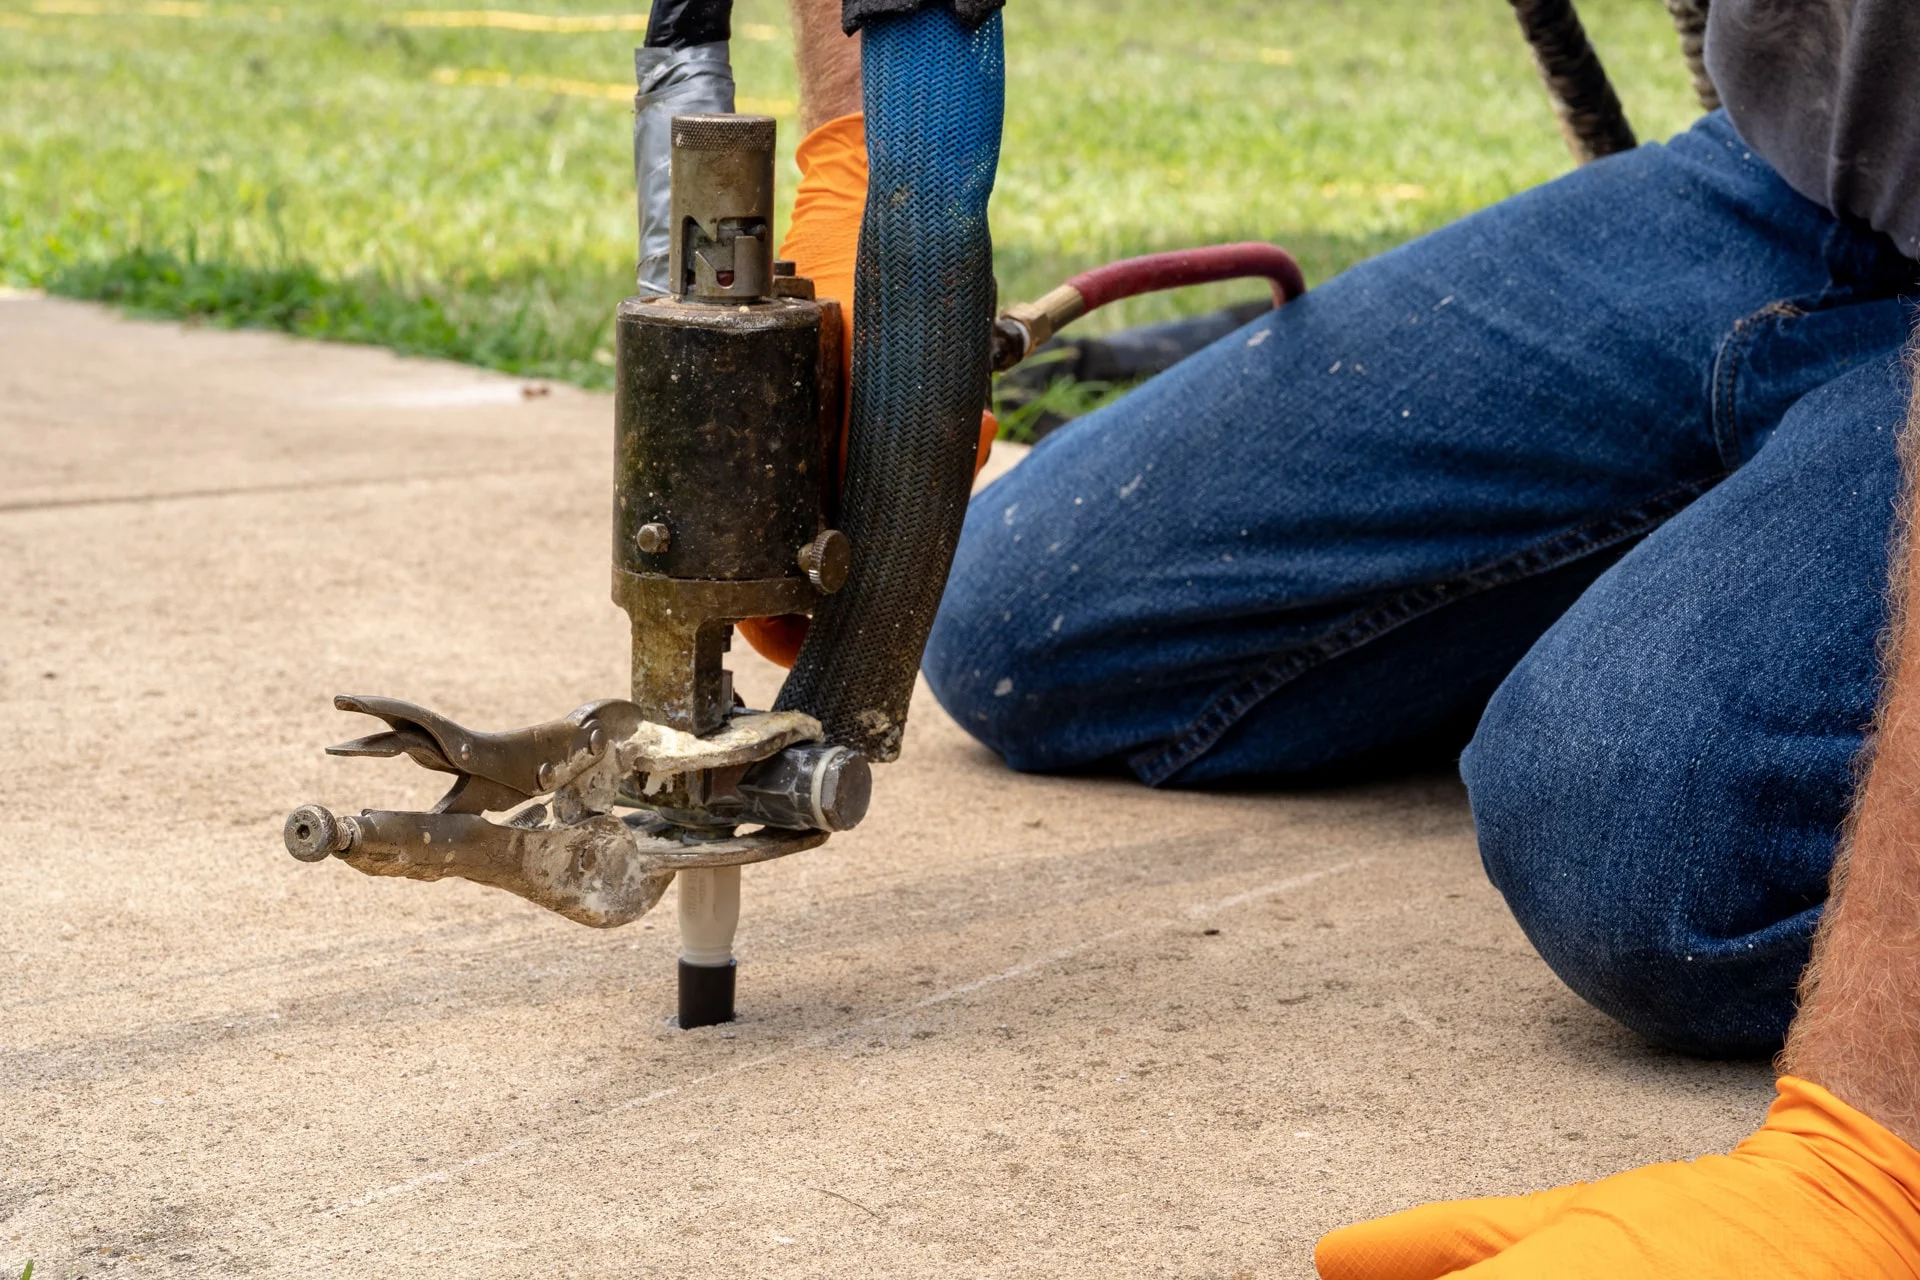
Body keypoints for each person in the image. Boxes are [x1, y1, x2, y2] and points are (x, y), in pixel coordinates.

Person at [776, 0, 1920, 1271]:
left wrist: (1880, 1151)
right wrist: (870, 166)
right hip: (1805, 180)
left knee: (1644, 836)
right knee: (1023, 614)